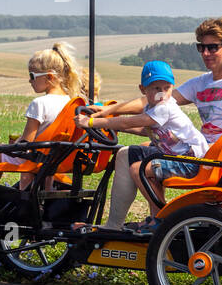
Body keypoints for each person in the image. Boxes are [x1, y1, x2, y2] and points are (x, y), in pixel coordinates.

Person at [78, 17, 222, 231]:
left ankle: (164, 222)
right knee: (126, 154)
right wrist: (109, 109)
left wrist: (220, 149)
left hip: (217, 159)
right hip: (196, 151)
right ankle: (116, 226)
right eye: (201, 47)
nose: (206, 53)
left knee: (141, 167)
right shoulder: (201, 82)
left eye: (212, 47)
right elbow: (154, 100)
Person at [78, 61, 209, 232]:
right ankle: (122, 224)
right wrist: (109, 120)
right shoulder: (152, 108)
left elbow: (128, 121)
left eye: (167, 87)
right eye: (156, 88)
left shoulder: (165, 108)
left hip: (190, 161)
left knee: (138, 169)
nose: (162, 93)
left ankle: (163, 218)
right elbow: (144, 129)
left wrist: (91, 122)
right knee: (131, 156)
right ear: (143, 89)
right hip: (179, 158)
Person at [0, 42, 95, 186]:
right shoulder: (71, 103)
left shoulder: (39, 103)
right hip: (54, 158)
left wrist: (14, 144)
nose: (30, 80)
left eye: (32, 75)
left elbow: (26, 143)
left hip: (33, 158)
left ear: (49, 77)